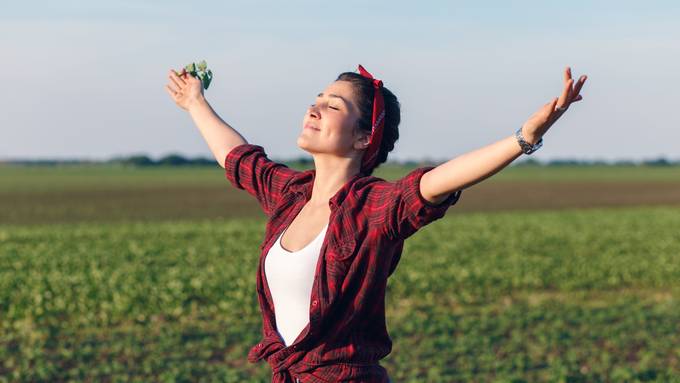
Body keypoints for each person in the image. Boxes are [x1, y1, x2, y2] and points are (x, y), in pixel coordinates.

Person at [165, 64, 587, 382]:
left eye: (332, 106)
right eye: (317, 99)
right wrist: (194, 103)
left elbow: (439, 181)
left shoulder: (373, 207)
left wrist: (523, 137)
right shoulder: (290, 195)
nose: (314, 108)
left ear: (364, 137)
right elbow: (241, 160)